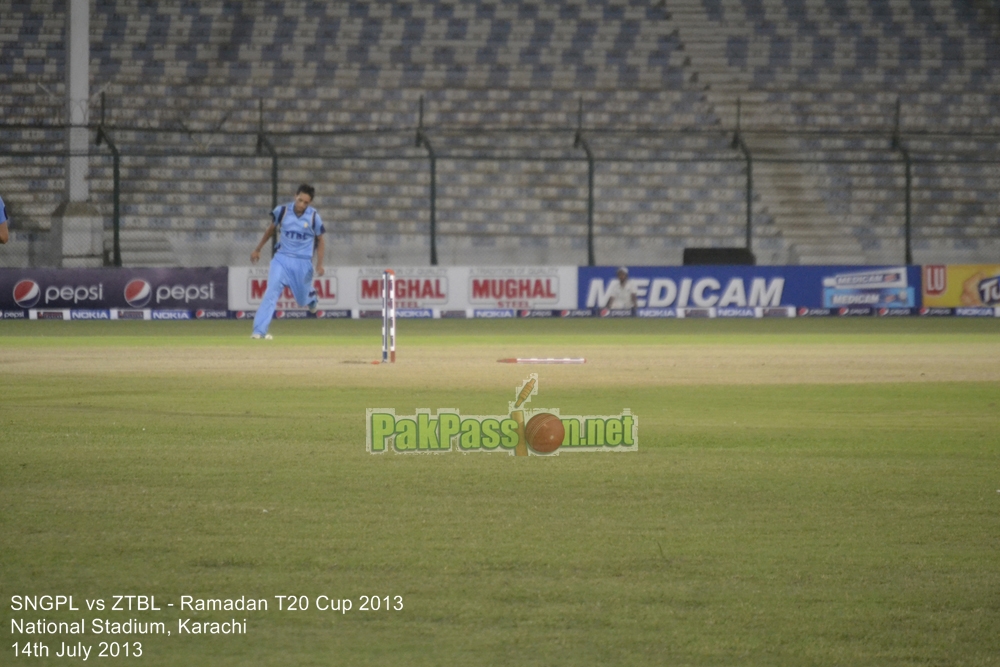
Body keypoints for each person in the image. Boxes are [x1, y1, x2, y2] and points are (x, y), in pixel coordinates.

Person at [249, 184, 325, 339]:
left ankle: (312, 296)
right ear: (295, 196)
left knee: (302, 301)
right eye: (300, 200)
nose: (302, 205)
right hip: (281, 259)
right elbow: (270, 230)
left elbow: (321, 240)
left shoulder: (313, 217)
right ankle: (258, 332)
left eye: (306, 202)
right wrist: (258, 249)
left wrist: (319, 264)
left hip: (303, 263)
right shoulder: (282, 211)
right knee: (271, 293)